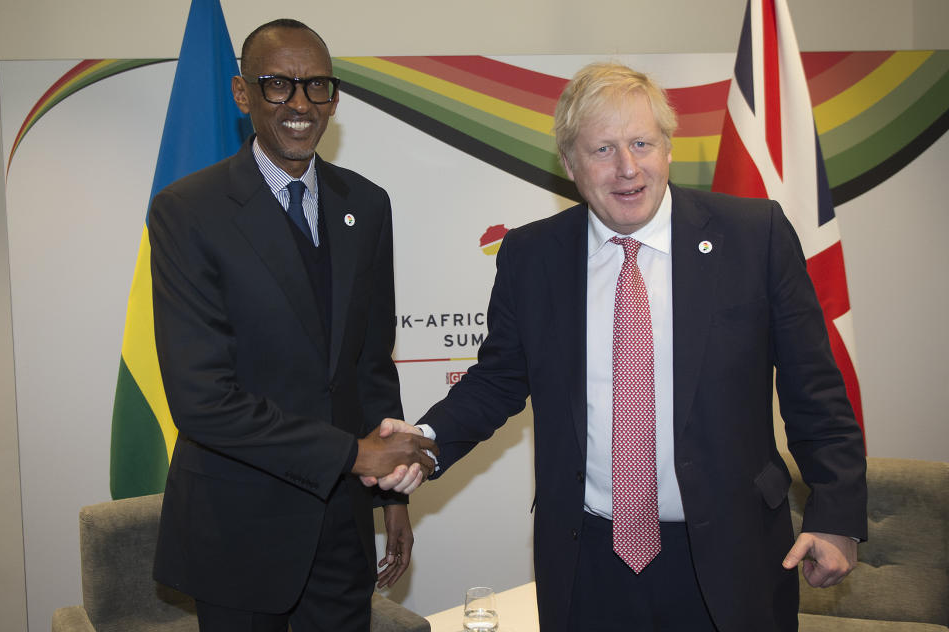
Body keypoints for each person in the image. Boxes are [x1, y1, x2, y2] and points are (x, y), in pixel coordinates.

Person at [373, 63, 867, 631]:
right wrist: (426, 439)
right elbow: (499, 378)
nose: (628, 168)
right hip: (589, 562)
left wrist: (837, 515)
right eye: (603, 149)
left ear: (667, 148)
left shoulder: (754, 237)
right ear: (570, 165)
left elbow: (815, 388)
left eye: (641, 143)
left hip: (735, 554)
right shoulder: (532, 257)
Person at [149, 19, 437, 632]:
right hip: (238, 531)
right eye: (277, 85)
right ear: (241, 93)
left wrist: (390, 493)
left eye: (317, 86)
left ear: (335, 98)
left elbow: (369, 364)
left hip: (342, 527)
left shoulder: (367, 204)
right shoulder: (188, 212)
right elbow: (201, 400)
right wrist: (354, 454)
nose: (300, 104)